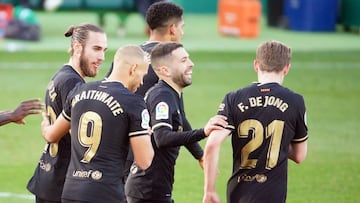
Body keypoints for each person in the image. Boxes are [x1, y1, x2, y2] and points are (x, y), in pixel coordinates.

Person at [40, 45, 154, 203]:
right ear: (133, 68)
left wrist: (45, 126)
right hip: (106, 193)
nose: (142, 82)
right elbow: (145, 160)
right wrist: (142, 136)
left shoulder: (79, 91)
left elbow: (52, 135)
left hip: (71, 192)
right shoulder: (133, 102)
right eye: (143, 74)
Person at [202, 40, 308, 203]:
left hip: (238, 192)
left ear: (256, 65)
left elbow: (212, 144)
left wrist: (209, 190)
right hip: (272, 193)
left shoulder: (234, 98)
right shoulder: (295, 101)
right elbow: (300, 155)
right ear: (287, 68)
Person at [125, 42, 228, 203]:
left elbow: (182, 122)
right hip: (148, 191)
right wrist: (203, 132)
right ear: (165, 70)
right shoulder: (162, 96)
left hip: (152, 189)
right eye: (183, 60)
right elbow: (162, 138)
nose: (191, 64)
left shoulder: (172, 93)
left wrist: (200, 155)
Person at [106, 1, 188, 184]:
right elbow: (180, 116)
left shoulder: (128, 56)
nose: (182, 33)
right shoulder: (169, 65)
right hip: (146, 151)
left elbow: (107, 95)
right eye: (182, 27)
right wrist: (200, 154)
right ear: (173, 29)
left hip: (116, 147)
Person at [27, 23, 108, 203]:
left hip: (51, 176)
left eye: (104, 50)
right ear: (78, 48)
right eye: (96, 49)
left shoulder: (62, 76)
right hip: (63, 184)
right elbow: (81, 138)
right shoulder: (73, 84)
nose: (102, 57)